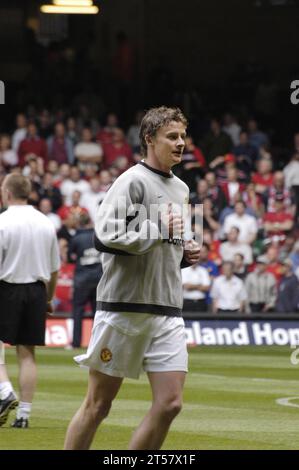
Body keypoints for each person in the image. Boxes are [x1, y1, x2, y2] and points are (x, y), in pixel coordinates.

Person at [64, 106, 201, 450]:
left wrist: (183, 254)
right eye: (172, 136)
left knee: (170, 404)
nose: (181, 143)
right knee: (98, 406)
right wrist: (158, 229)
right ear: (149, 139)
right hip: (123, 311)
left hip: (167, 311)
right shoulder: (131, 181)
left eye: (183, 136)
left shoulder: (182, 189)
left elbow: (157, 244)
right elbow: (104, 237)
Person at [0, 174, 60, 428]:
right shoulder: (45, 222)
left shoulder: (2, 222)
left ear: (8, 193)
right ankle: (24, 415)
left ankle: (4, 390)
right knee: (27, 354)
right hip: (36, 290)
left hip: (7, 287)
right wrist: (48, 298)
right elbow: (55, 269)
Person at [69, 214, 102, 348]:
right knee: (98, 313)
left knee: (77, 311)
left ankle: (76, 343)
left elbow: (70, 257)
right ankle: (97, 344)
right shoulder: (98, 235)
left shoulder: (76, 238)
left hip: (81, 280)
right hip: (98, 278)